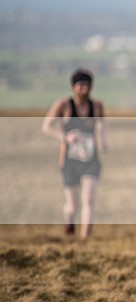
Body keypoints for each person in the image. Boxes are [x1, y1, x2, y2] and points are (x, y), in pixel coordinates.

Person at [42, 68, 108, 240]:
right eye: (80, 85)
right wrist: (64, 137)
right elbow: (46, 126)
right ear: (73, 87)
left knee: (89, 200)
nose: (84, 89)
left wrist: (103, 141)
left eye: (87, 85)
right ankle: (69, 219)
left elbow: (101, 126)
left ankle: (85, 238)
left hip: (91, 160)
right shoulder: (64, 105)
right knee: (73, 205)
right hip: (69, 161)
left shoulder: (97, 106)